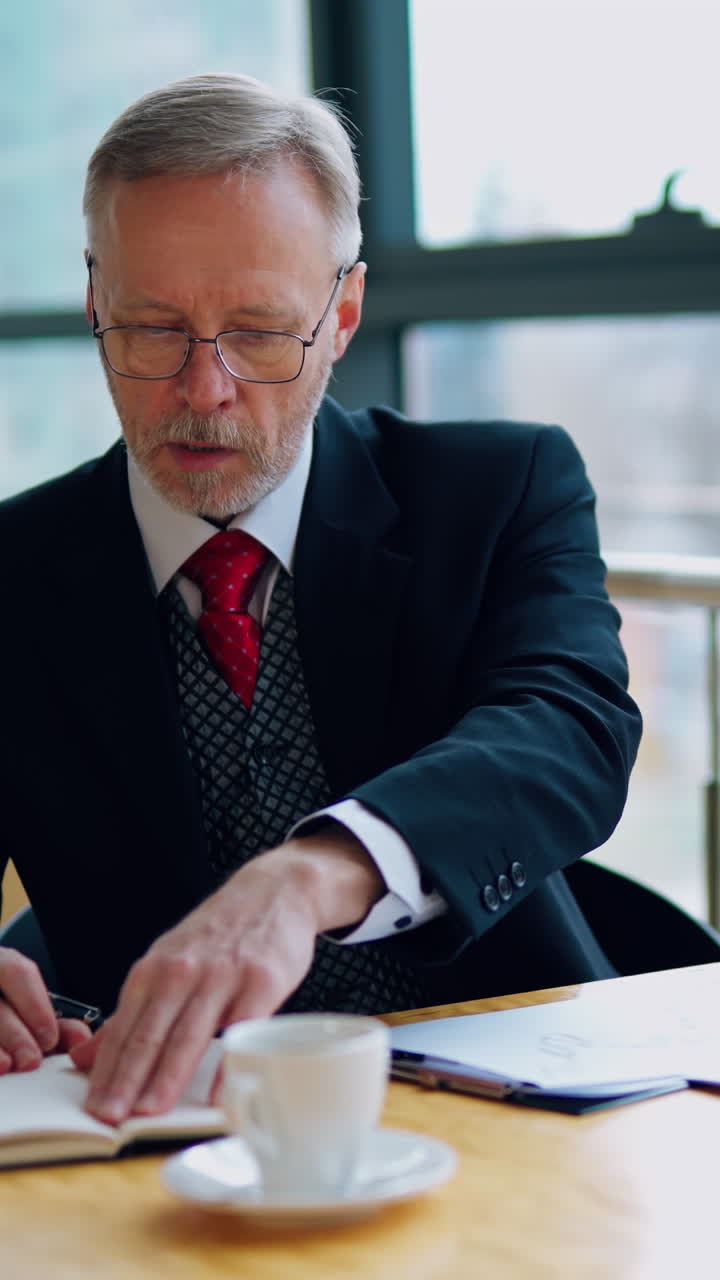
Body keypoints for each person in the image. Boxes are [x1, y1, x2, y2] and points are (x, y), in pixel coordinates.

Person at [0, 73, 641, 1124]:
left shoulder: (498, 491)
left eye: (258, 332)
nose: (204, 391)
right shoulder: (13, 570)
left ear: (341, 313)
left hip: (512, 1111)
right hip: (148, 1132)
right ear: (94, 305)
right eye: (152, 328)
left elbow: (571, 725)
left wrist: (317, 871)